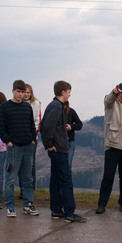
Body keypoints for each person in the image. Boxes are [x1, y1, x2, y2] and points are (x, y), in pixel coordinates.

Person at [41, 81, 86, 223]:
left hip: (57, 148)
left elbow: (47, 126)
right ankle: (69, 212)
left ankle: (56, 210)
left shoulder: (54, 105)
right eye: (68, 92)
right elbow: (47, 127)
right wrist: (49, 144)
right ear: (63, 92)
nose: (69, 95)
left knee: (55, 180)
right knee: (66, 181)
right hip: (59, 149)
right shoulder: (56, 106)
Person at [0, 80, 39, 218]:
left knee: (28, 178)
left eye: (23, 92)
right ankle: (10, 206)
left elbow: (32, 125)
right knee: (11, 178)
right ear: (13, 91)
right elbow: (1, 129)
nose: (21, 94)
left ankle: (28, 204)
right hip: (14, 148)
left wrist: (33, 139)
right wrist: (8, 142)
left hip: (28, 146)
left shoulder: (27, 107)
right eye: (18, 91)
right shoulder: (5, 107)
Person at [96, 83, 122, 214]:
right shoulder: (111, 104)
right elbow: (108, 100)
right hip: (112, 145)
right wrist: (113, 93)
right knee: (108, 176)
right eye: (121, 93)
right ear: (118, 93)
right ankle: (102, 204)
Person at [21, 84, 41, 193]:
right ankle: (23, 188)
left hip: (32, 138)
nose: (26, 94)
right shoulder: (18, 103)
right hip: (20, 138)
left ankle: (31, 188)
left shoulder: (36, 103)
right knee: (21, 164)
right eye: (24, 92)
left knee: (31, 164)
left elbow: (38, 120)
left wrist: (33, 135)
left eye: (28, 92)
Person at [64, 101, 83, 170]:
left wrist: (71, 127)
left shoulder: (71, 111)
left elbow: (79, 124)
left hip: (70, 141)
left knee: (68, 165)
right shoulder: (56, 112)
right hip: (59, 142)